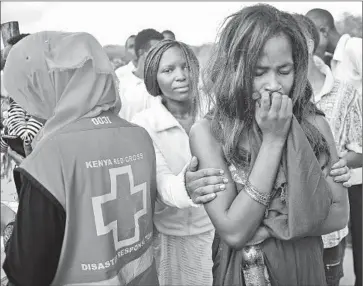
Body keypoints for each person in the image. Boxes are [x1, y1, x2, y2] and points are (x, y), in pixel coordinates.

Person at [189, 4, 350, 285]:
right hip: (246, 271)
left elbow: (338, 215)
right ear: (233, 69)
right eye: (258, 72)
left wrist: (267, 226)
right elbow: (235, 232)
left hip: (304, 266)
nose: (273, 84)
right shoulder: (210, 132)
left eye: (284, 70)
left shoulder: (314, 124)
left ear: (298, 68)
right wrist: (274, 140)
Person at [2, 31, 159, 286]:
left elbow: (26, 273)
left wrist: (8, 221)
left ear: (50, 84)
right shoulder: (139, 137)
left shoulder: (50, 155)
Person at [132, 39, 215, 285]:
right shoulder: (144, 124)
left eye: (186, 66)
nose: (181, 76)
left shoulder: (218, 114)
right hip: (171, 237)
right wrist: (186, 188)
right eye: (168, 70)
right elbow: (160, 181)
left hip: (220, 231)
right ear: (153, 79)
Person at [294, 13, 362, 286]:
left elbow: (359, 150)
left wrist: (339, 162)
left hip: (331, 228)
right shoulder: (279, 93)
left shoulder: (346, 92)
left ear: (311, 42)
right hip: (289, 229)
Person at [306, 9, 362, 98]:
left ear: (324, 31)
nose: (311, 44)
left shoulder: (355, 46)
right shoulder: (330, 62)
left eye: (312, 36)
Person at [119, 29, 164, 121]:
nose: (162, 55)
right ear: (141, 52)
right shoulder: (120, 86)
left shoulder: (164, 85)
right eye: (157, 51)